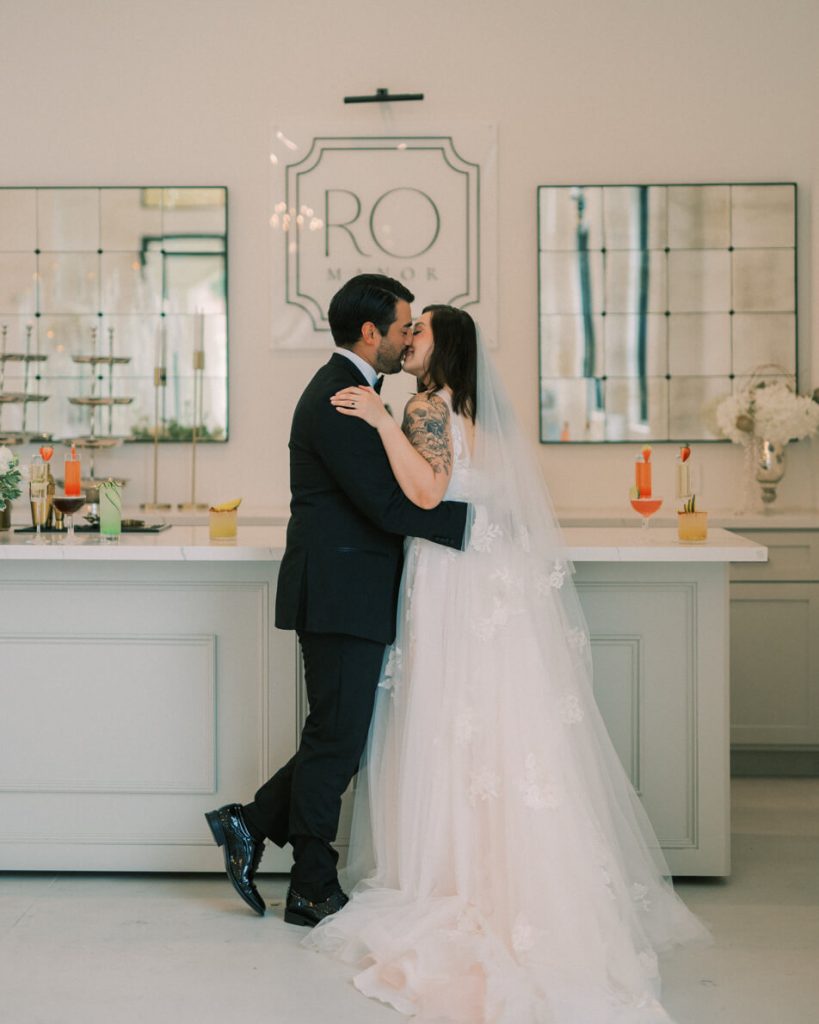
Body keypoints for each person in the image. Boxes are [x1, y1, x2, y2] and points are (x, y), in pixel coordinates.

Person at [304, 304, 710, 1023]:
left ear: (443, 348)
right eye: (406, 327)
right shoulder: (481, 420)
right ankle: (509, 873)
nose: (408, 338)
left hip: (448, 581)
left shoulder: (424, 408)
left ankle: (454, 875)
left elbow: (426, 494)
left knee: (448, 722)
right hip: (494, 585)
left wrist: (380, 423)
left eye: (420, 330)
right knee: (500, 729)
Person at [205, 277, 469, 925]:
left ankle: (251, 823)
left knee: (338, 736)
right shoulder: (338, 397)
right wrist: (478, 526)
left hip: (350, 590)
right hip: (340, 591)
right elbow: (386, 505)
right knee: (336, 741)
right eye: (403, 327)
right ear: (370, 332)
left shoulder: (357, 391)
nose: (408, 338)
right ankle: (310, 886)